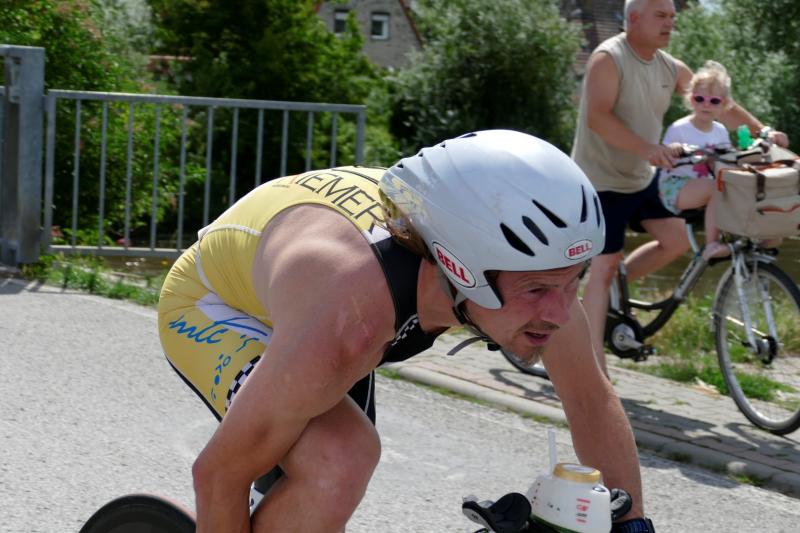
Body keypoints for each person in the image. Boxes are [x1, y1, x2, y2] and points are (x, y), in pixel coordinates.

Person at [158, 130, 655, 532]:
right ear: (459, 268)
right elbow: (219, 474)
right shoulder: (351, 319)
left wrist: (633, 525)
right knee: (340, 461)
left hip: (316, 300)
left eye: (574, 282)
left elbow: (589, 400)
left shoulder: (534, 276)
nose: (561, 312)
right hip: (220, 305)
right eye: (538, 290)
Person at [571, 0, 789, 374]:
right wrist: (648, 149)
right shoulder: (609, 58)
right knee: (604, 266)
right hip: (600, 181)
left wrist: (762, 132)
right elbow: (597, 117)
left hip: (641, 178)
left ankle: (610, 294)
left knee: (676, 241)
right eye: (661, 15)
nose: (670, 23)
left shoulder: (670, 67)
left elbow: (722, 106)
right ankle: (592, 370)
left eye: (672, 16)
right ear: (633, 18)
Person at [659, 60, 733, 260]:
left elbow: (726, 160)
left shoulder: (720, 131)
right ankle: (712, 244)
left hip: (706, 185)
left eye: (714, 101)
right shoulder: (679, 128)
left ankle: (747, 239)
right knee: (715, 187)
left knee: (738, 186)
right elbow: (663, 158)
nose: (705, 104)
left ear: (724, 105)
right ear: (690, 100)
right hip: (674, 186)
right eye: (699, 98)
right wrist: (673, 150)